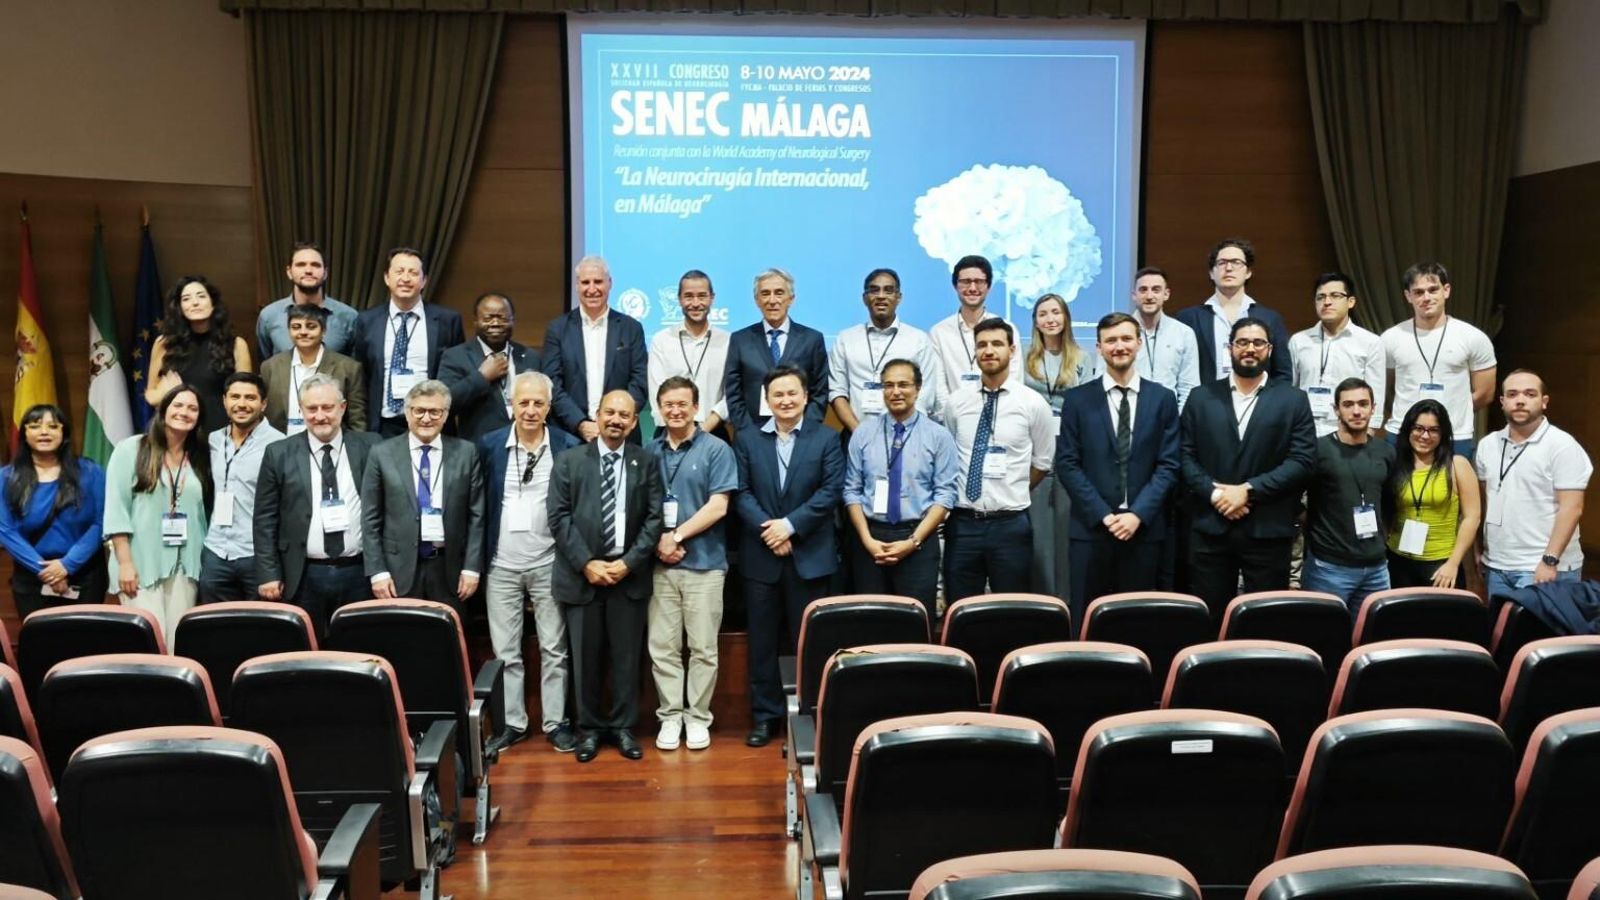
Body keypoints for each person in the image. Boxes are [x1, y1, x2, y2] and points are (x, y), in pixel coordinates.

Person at [547, 390, 665, 762]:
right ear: (596, 415)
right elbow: (559, 517)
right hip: (582, 576)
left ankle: (624, 728)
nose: (616, 420)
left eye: (624, 415)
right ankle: (590, 730)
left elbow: (654, 518)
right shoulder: (568, 461)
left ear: (633, 422)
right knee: (585, 659)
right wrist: (587, 563)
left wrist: (628, 562)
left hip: (627, 575)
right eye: (609, 412)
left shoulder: (645, 462)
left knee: (627, 659)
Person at [734, 365, 844, 747]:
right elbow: (740, 492)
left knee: (807, 643)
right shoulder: (747, 439)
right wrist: (771, 530)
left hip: (809, 555)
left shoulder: (826, 438)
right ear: (767, 399)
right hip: (762, 557)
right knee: (762, 643)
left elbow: (831, 492)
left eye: (792, 393)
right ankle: (766, 717)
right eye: (777, 394)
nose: (785, 400)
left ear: (806, 396)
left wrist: (791, 526)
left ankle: (809, 717)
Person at [1179, 317, 1317, 619]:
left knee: (1264, 621)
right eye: (1242, 342)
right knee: (1208, 619)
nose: (1249, 349)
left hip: (1267, 528)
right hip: (1211, 528)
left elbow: (1303, 461)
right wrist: (1218, 496)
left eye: (1258, 343)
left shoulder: (1293, 400)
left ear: (1269, 349)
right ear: (1230, 348)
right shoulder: (1201, 397)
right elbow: (1185, 457)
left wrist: (1248, 491)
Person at [478, 372, 580, 755]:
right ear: (512, 406)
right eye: (524, 402)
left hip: (550, 563)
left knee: (555, 648)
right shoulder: (488, 446)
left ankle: (555, 722)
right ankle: (513, 724)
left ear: (549, 407)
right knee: (506, 652)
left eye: (538, 403)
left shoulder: (567, 446)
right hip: (501, 564)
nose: (531, 410)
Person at [1055, 313, 1180, 622]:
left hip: (1145, 529)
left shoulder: (1162, 398)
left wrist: (1137, 514)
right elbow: (1068, 464)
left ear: (1138, 343)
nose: (1119, 346)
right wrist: (1104, 515)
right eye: (1110, 340)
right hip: (1092, 529)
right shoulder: (1077, 400)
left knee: (1141, 622)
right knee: (1088, 620)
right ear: (1099, 347)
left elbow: (1169, 463)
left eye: (1126, 339)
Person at [647, 376, 738, 752]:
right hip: (660, 565)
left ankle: (698, 717)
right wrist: (658, 544)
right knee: (663, 647)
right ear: (659, 408)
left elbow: (719, 506)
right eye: (668, 404)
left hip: (704, 565)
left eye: (683, 404)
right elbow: (639, 508)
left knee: (702, 648)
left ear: (696, 407)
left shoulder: (717, 449)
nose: (675, 410)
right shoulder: (649, 452)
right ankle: (670, 716)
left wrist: (677, 536)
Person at [254, 375, 382, 635]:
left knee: (358, 648)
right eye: (311, 409)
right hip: (303, 575)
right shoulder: (278, 453)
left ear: (343, 407)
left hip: (359, 572)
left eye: (328, 407)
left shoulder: (371, 446)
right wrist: (268, 573)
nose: (320, 416)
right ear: (301, 410)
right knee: (306, 653)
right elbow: (265, 519)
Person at [944, 318, 1056, 604]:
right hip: (964, 522)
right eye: (981, 345)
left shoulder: (1032, 403)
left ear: (1012, 350)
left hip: (1010, 524)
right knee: (961, 607)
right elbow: (949, 456)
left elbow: (1042, 462)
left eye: (996, 344)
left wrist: (1013, 488)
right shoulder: (957, 403)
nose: (988, 351)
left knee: (1013, 608)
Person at [841, 359, 957, 620]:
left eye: (903, 384)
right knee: (871, 625)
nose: (895, 391)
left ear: (918, 389)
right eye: (888, 385)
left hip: (917, 539)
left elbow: (945, 495)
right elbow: (851, 490)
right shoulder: (863, 433)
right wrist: (867, 540)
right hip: (870, 541)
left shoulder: (938, 436)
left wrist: (913, 541)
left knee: (914, 624)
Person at [360, 379, 485, 611]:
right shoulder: (381, 453)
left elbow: (477, 516)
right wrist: (377, 571)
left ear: (446, 415)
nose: (426, 418)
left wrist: (471, 568)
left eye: (435, 412)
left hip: (450, 569)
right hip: (397, 569)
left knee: (447, 642)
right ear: (407, 413)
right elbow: (370, 518)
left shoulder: (466, 452)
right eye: (419, 411)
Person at [104, 384, 213, 643]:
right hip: (140, 564)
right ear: (163, 411)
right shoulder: (131, 449)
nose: (184, 412)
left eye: (192, 408)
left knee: (177, 643)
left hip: (185, 567)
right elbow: (116, 508)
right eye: (178, 405)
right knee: (149, 642)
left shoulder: (199, 457)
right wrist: (125, 563)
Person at [1476, 370, 1591, 598]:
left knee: (1541, 634)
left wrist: (1549, 560)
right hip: (1496, 566)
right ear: (1502, 401)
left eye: (1530, 394)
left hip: (1543, 567)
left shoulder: (1562, 445)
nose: (1520, 400)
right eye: (1512, 394)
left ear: (1544, 402)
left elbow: (1572, 508)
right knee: (1500, 633)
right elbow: (1482, 502)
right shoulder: (1488, 444)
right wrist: (1479, 552)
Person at [0, 405, 108, 617]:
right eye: (35, 426)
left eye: (52, 426)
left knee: (87, 644)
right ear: (24, 433)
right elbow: (5, 530)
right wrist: (46, 572)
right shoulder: (6, 478)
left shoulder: (90, 471)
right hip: (32, 577)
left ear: (64, 433)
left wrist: (67, 565)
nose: (44, 432)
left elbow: (101, 521)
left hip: (85, 575)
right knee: (42, 644)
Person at [1381, 262, 1497, 458]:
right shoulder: (1390, 338)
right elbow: (1383, 387)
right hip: (1402, 432)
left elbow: (1485, 393)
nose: (1426, 297)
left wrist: (1451, 411)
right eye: (1418, 292)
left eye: (1433, 290)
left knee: (1453, 489)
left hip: (1454, 434)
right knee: (1397, 489)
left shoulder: (1472, 337)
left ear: (1446, 290)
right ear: (1408, 296)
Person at [350, 247, 466, 436]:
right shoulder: (367, 320)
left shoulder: (448, 320)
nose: (405, 278)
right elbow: (361, 374)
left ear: (424, 280)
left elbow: (456, 372)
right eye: (399, 271)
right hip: (383, 425)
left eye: (413, 273)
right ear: (387, 278)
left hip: (431, 422)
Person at [1302, 378, 1396, 613]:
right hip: (1329, 568)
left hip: (1376, 568)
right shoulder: (1318, 449)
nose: (1356, 411)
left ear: (1373, 408)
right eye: (1348, 404)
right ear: (1336, 410)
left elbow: (1389, 503)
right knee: (1325, 637)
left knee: (1371, 641)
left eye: (1363, 404)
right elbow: (1298, 499)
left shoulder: (1385, 451)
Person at [1021, 293, 1092, 602]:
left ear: (1065, 318)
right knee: (1037, 531)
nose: (1050, 318)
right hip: (1033, 445)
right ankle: (1041, 601)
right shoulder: (1024, 358)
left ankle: (1068, 603)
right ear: (1035, 321)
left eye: (1055, 312)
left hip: (1070, 446)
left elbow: (1089, 405)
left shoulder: (1082, 357)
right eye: (1043, 314)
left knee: (1064, 528)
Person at [542, 256, 649, 442]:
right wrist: (580, 423)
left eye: (598, 282)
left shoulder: (631, 328)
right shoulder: (558, 329)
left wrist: (615, 420)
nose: (592, 289)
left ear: (610, 283)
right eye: (585, 282)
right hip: (570, 435)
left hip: (622, 435)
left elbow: (639, 381)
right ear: (577, 285)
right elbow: (552, 384)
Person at [198, 373, 284, 604]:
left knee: (259, 630)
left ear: (263, 404)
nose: (242, 404)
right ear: (224, 401)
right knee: (215, 627)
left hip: (256, 554)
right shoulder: (212, 441)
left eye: (250, 398)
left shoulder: (279, 445)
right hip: (216, 550)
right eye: (235, 397)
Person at [828, 268, 942, 433]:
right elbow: (837, 391)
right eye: (874, 290)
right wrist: (859, 433)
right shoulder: (846, 338)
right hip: (855, 435)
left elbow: (926, 394)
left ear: (899, 298)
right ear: (865, 298)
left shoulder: (918, 339)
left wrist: (901, 432)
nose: (881, 296)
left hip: (906, 436)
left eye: (888, 291)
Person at [1384, 399, 1481, 589]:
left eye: (1433, 430)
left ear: (1443, 433)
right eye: (1418, 428)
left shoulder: (1457, 464)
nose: (1425, 436)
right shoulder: (1394, 464)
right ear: (1407, 430)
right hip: (1398, 560)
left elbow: (1472, 517)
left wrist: (1453, 563)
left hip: (1441, 565)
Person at [144, 275, 253, 435]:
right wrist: (166, 393)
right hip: (178, 431)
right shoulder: (164, 343)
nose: (195, 303)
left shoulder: (236, 344)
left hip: (222, 433)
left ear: (213, 304)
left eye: (201, 296)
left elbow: (247, 394)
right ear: (180, 307)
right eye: (186, 299)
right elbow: (151, 394)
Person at [1174, 238, 1293, 383]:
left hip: (1258, 401)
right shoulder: (1188, 318)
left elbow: (1282, 373)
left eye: (1236, 262)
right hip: (1207, 401)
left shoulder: (1270, 319)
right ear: (1211, 273)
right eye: (1222, 263)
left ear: (1248, 272)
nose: (1229, 268)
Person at [724, 268, 829, 431]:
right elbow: (733, 394)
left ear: (791, 299)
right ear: (756, 300)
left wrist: (806, 431)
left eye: (779, 293)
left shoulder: (812, 339)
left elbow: (819, 393)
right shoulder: (740, 339)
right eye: (765, 293)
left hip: (800, 436)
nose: (772, 300)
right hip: (752, 436)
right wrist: (748, 434)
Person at [1288, 272, 1385, 437]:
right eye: (1320, 297)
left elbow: (1376, 391)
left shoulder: (1370, 342)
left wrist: (1369, 432)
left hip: (1348, 431)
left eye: (1335, 296)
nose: (1327, 302)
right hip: (1304, 429)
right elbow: (1290, 389)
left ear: (1351, 302)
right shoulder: (1299, 341)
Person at [438, 292, 541, 441]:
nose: (495, 323)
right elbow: (444, 402)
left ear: (513, 321)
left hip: (525, 445)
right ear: (475, 321)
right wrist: (481, 377)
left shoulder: (530, 357)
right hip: (479, 448)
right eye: (488, 318)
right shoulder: (455, 356)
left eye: (502, 318)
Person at [647, 269, 731, 437]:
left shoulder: (728, 341)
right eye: (688, 296)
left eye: (702, 296)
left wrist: (705, 428)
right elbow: (656, 390)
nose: (695, 303)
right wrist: (677, 428)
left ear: (711, 298)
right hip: (669, 431)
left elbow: (731, 394)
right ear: (679, 299)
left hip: (714, 431)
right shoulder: (661, 340)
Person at [261, 304, 366, 434]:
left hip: (330, 444)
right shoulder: (270, 367)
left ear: (324, 331)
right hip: (281, 442)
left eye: (311, 326)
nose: (303, 332)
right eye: (296, 327)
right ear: (289, 331)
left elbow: (357, 418)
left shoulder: (348, 367)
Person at [929, 255, 1022, 395]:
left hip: (1001, 412)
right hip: (954, 414)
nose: (972, 288)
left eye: (979, 282)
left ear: (988, 286)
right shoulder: (939, 333)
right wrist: (952, 415)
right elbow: (939, 389)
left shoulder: (1006, 328)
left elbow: (1014, 382)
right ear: (955, 285)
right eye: (966, 282)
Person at [256, 242, 358, 359]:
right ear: (289, 272)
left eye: (315, 265)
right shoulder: (269, 316)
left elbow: (355, 370)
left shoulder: (349, 317)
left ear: (325, 273)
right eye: (301, 265)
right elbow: (265, 366)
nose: (308, 270)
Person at [1123, 266, 1200, 410]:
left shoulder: (1184, 333)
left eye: (1156, 290)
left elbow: (1189, 387)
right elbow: (1102, 379)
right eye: (1143, 290)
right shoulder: (1118, 332)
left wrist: (1176, 423)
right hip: (1125, 418)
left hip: (1169, 421)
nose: (1149, 296)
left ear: (1166, 294)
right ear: (1134, 295)